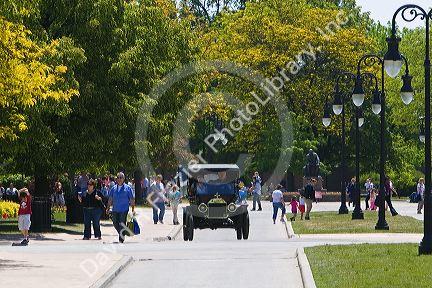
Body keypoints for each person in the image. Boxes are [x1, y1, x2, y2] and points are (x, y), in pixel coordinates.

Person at [106, 172, 135, 243]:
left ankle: (121, 238)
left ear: (124, 179)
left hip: (124, 209)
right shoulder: (113, 188)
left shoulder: (128, 188)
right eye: (118, 177)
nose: (119, 179)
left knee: (122, 223)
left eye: (121, 177)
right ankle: (122, 233)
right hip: (115, 209)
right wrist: (108, 208)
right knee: (115, 222)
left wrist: (133, 209)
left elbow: (131, 199)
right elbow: (110, 199)